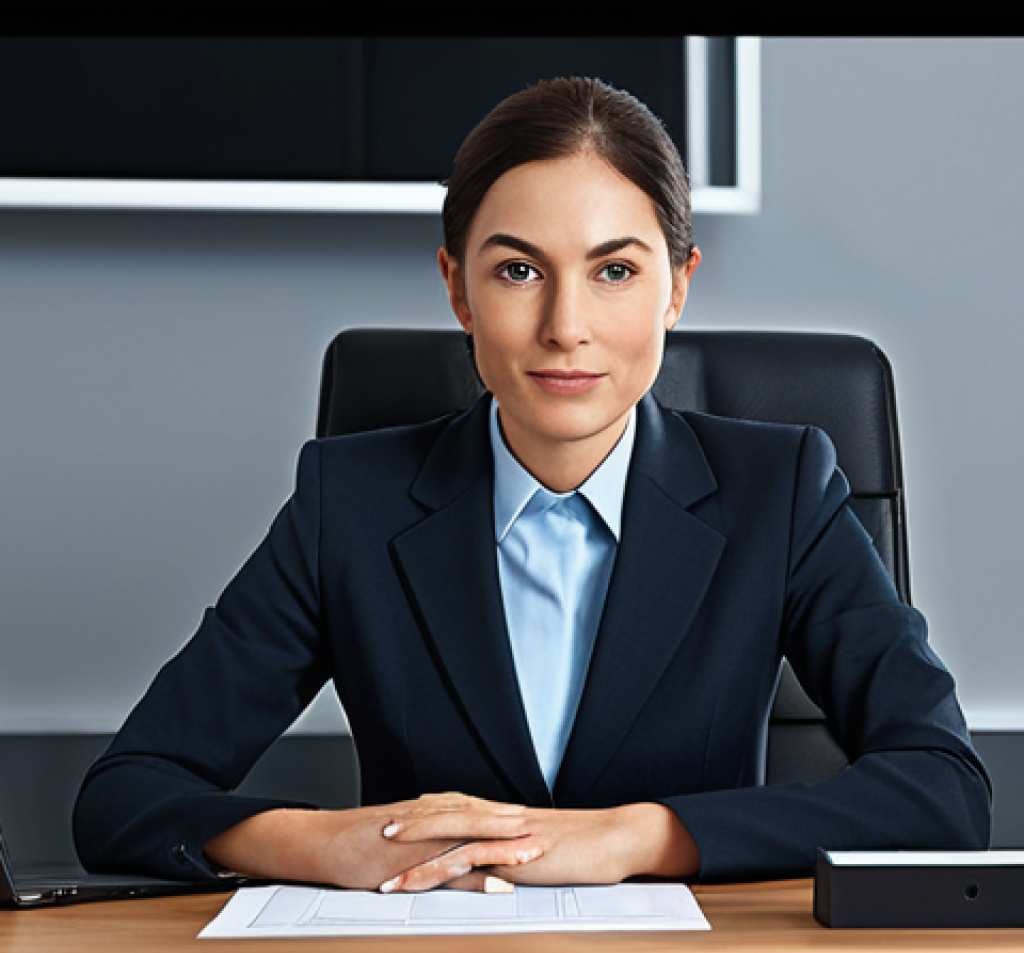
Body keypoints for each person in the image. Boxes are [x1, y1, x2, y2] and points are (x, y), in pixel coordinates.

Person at [73, 78, 991, 891]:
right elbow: (126, 796)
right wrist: (324, 843)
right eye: (518, 271)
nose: (566, 326)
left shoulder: (780, 489)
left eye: (615, 271)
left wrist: (638, 836)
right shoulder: (347, 503)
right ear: (458, 290)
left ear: (676, 289)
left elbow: (943, 786)